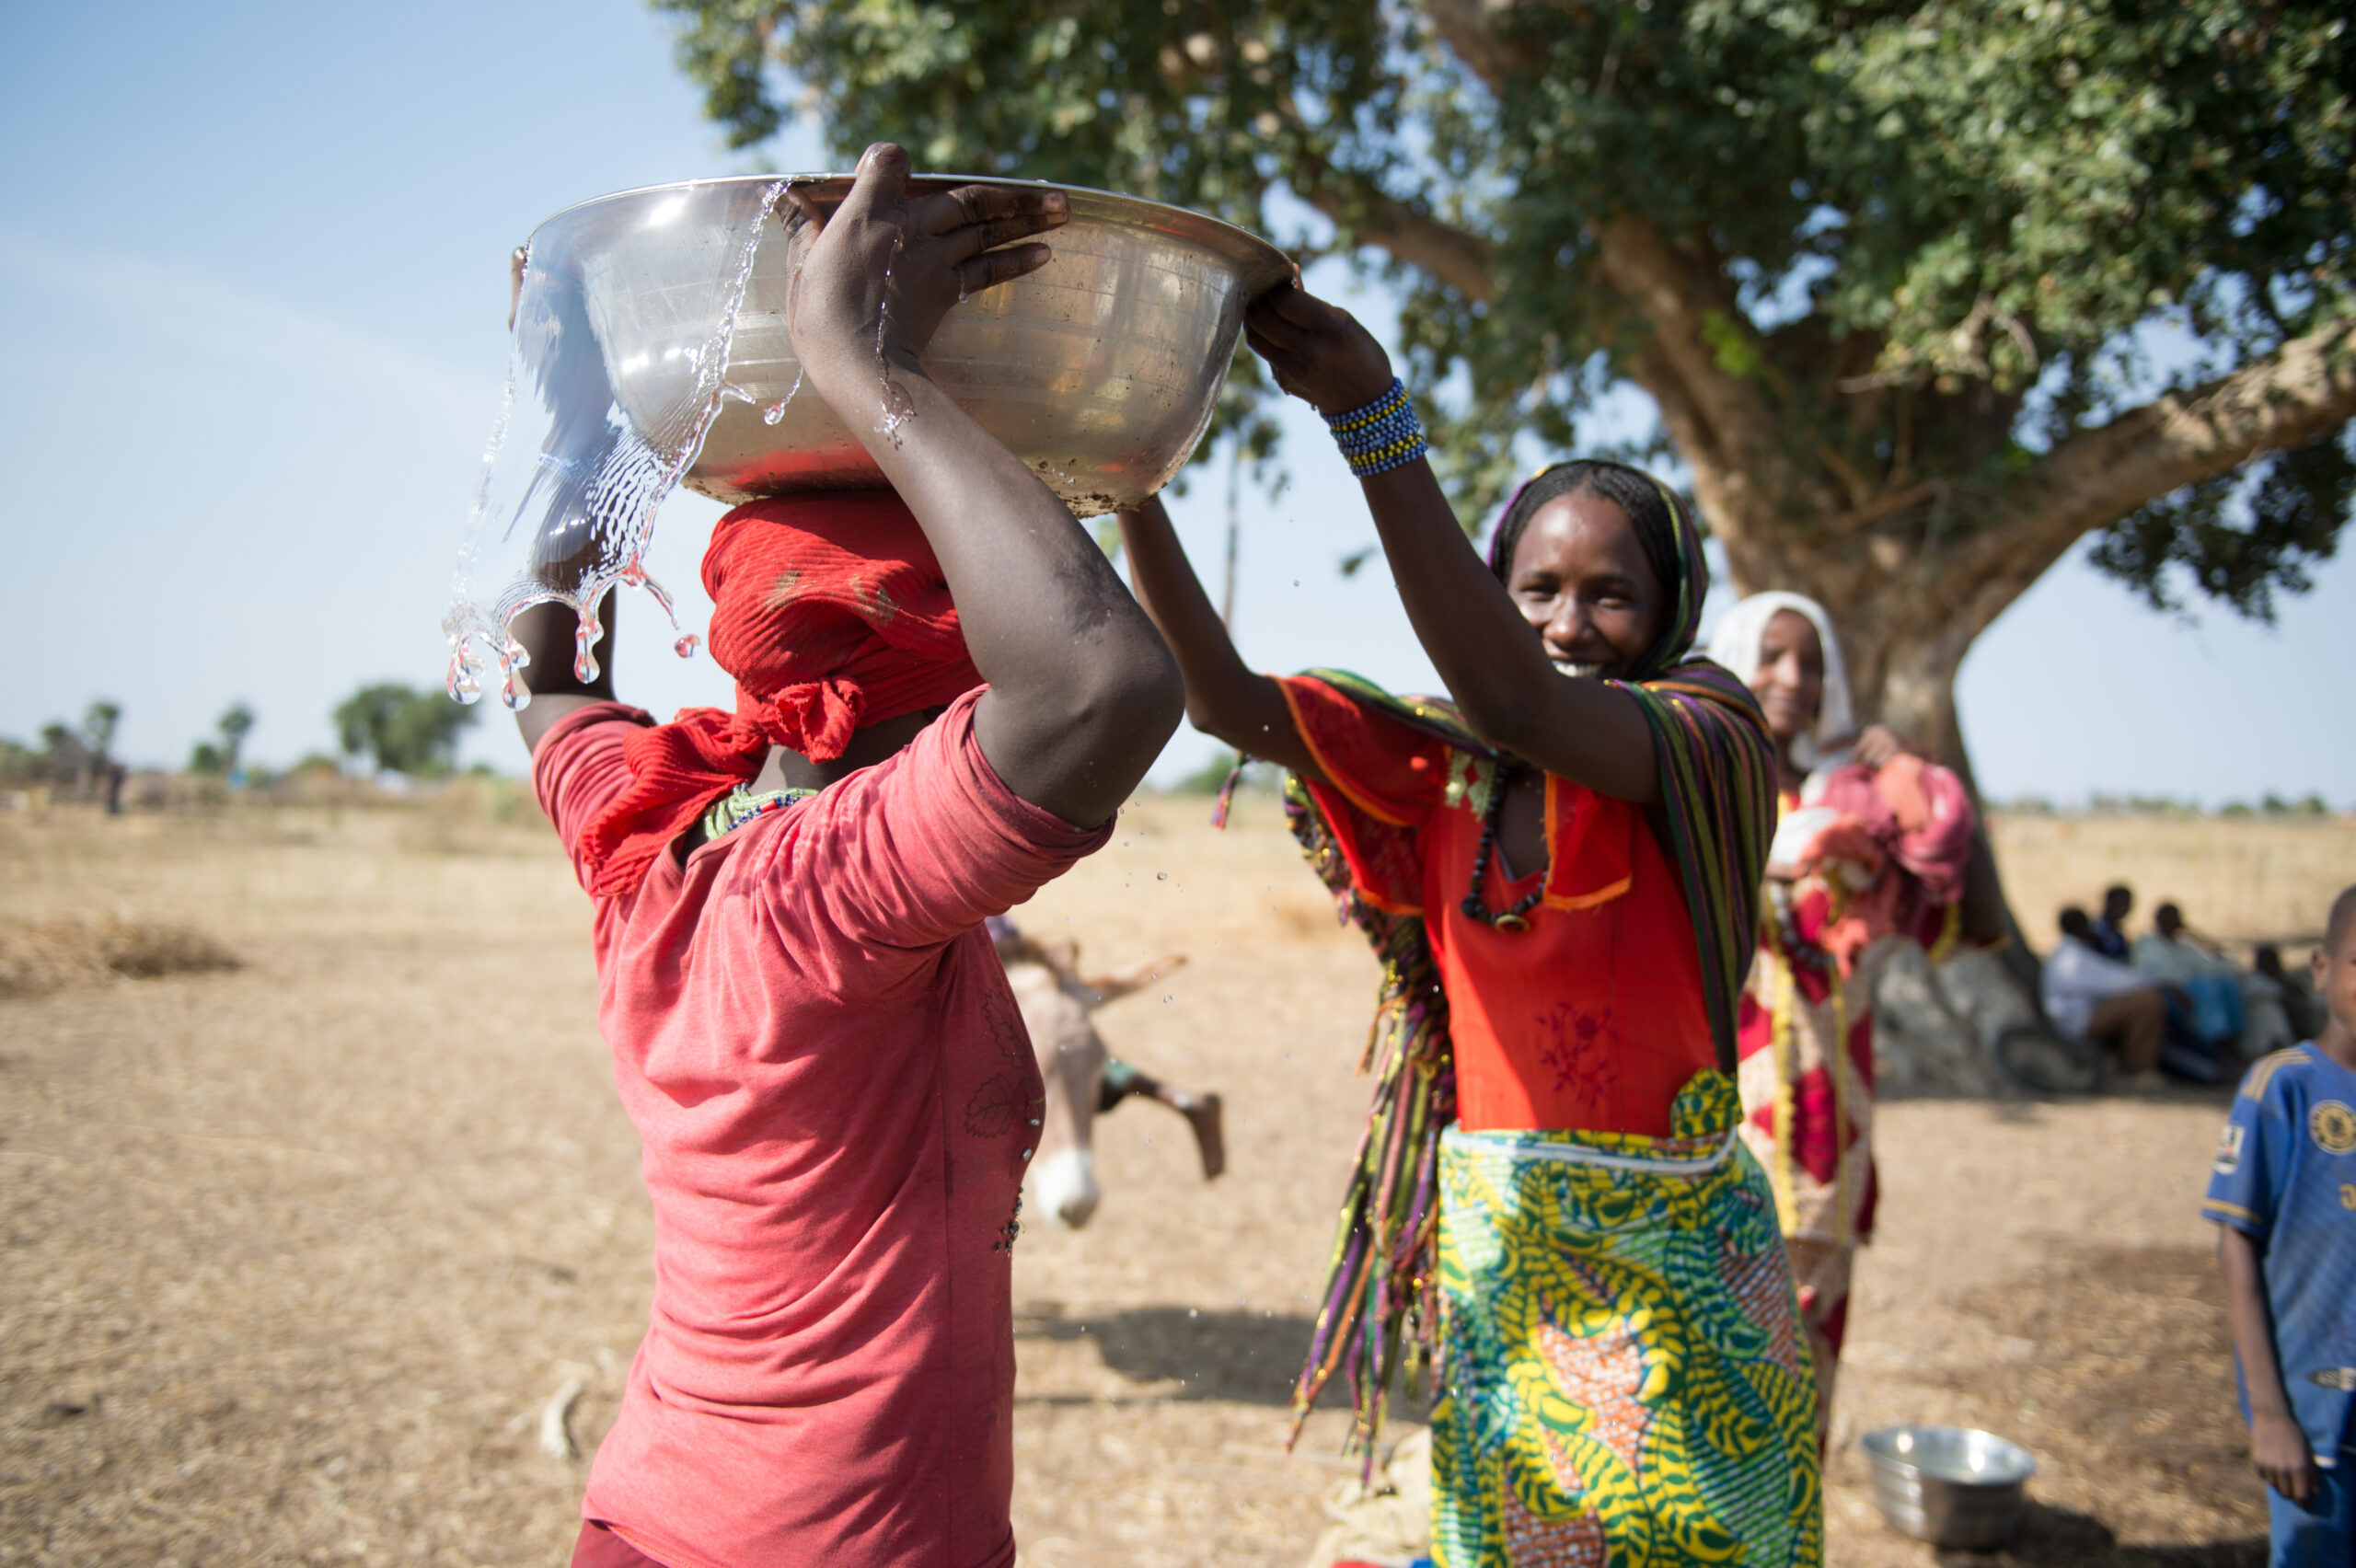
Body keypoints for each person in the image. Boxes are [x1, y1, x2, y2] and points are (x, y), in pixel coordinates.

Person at [514, 145, 1184, 1568]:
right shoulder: (835, 890)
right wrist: (861, 369)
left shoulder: (652, 830)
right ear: (953, 667)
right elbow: (1102, 691)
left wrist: (578, 408)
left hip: (651, 1517)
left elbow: (550, 666)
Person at [1118, 289, 1820, 1562]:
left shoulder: (1704, 748)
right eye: (1535, 589)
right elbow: (1222, 700)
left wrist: (1372, 421)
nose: (1565, 624)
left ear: (1672, 613)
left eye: (1611, 594)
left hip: (1680, 1272)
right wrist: (1123, 478)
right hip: (1509, 1259)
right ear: (1490, 593)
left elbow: (1515, 693)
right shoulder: (1447, 767)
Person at [1703, 591, 2002, 1439]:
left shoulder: (1861, 808)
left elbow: (1976, 925)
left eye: (1812, 662)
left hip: (1832, 1145)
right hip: (1719, 1136)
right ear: (1731, 658)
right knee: (1712, 1390)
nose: (1792, 678)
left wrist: (1924, 785)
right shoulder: (1700, 787)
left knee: (1802, 1397)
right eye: (1771, 655)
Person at [2204, 883, 2356, 1566]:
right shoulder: (2283, 1089)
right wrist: (2268, 1414)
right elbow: (2237, 1242)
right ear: (2321, 970)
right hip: (2316, 1422)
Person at [985, 913, 1224, 1229]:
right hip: (1009, 976)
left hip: (1004, 977)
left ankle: (1183, 1101)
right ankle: (1182, 1100)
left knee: (1070, 1056)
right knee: (1079, 1059)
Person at [2045, 906, 2172, 1087]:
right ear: (2080, 927)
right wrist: (2159, 982)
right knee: (2148, 1002)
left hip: (2078, 1016)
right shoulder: (2073, 958)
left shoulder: (2066, 953)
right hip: (2078, 1021)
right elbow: (2114, 981)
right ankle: (2139, 1069)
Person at [2093, 883, 2135, 960]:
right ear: (2108, 901)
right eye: (2118, 902)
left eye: (2125, 904)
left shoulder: (2119, 934)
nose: (2122, 907)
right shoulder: (2095, 927)